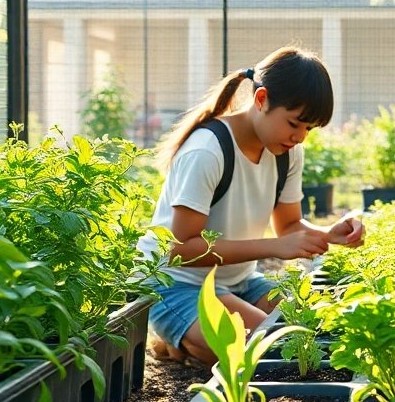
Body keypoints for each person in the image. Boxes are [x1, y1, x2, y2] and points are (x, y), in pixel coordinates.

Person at [139, 47, 365, 366]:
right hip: (176, 285)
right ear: (261, 100)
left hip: (238, 281)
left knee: (306, 332)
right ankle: (178, 338)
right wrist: (274, 246)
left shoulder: (286, 152)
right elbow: (180, 249)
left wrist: (329, 234)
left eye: (308, 129)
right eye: (294, 123)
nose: (300, 137)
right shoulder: (207, 151)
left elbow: (289, 227)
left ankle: (189, 340)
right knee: (266, 349)